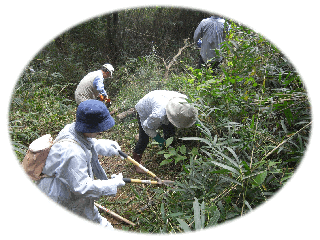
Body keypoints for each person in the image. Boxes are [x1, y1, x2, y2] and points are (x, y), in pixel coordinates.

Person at [37, 99, 125, 229]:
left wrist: (104, 146)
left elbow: (85, 141)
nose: (101, 132)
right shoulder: (73, 154)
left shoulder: (72, 129)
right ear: (89, 127)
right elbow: (83, 187)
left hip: (64, 185)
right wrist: (112, 184)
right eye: (99, 130)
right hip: (59, 194)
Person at [132, 90, 198, 173]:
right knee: (144, 139)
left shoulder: (185, 103)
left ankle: (167, 153)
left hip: (163, 102)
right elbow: (146, 127)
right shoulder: (158, 114)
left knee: (170, 131)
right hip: (144, 109)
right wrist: (159, 139)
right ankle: (137, 163)